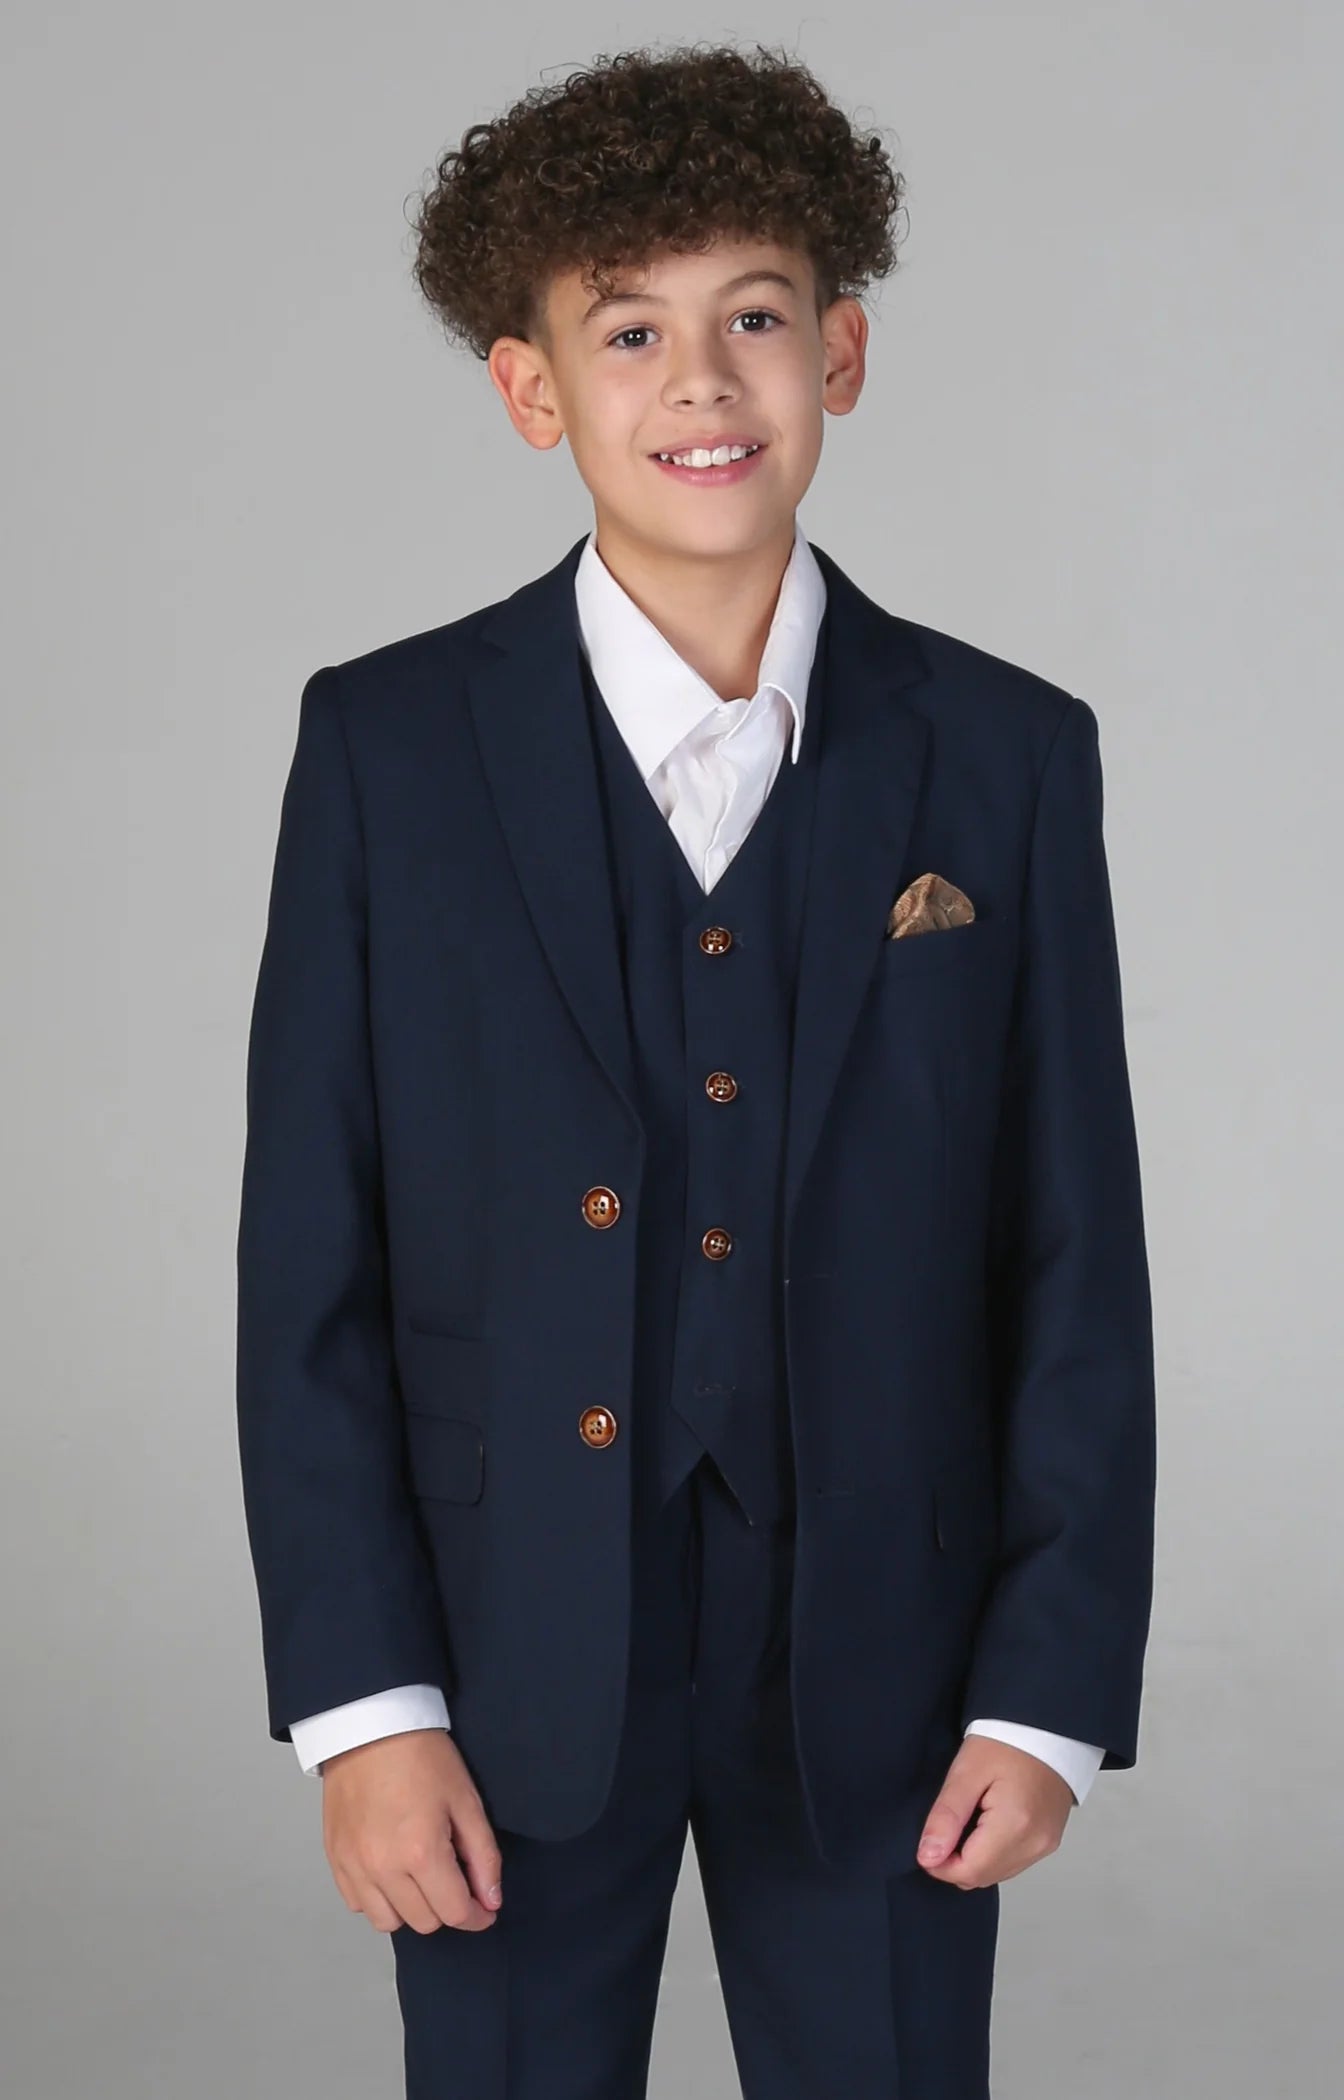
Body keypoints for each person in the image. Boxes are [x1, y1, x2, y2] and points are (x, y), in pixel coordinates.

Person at [236, 40, 1155, 2099]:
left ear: (842, 350)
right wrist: (366, 1708)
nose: (701, 383)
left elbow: (1073, 1248)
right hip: (498, 1648)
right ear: (530, 389)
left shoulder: (1007, 754)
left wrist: (1044, 1691)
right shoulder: (386, 749)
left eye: (754, 318)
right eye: (628, 331)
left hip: (892, 1662)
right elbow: (311, 1257)